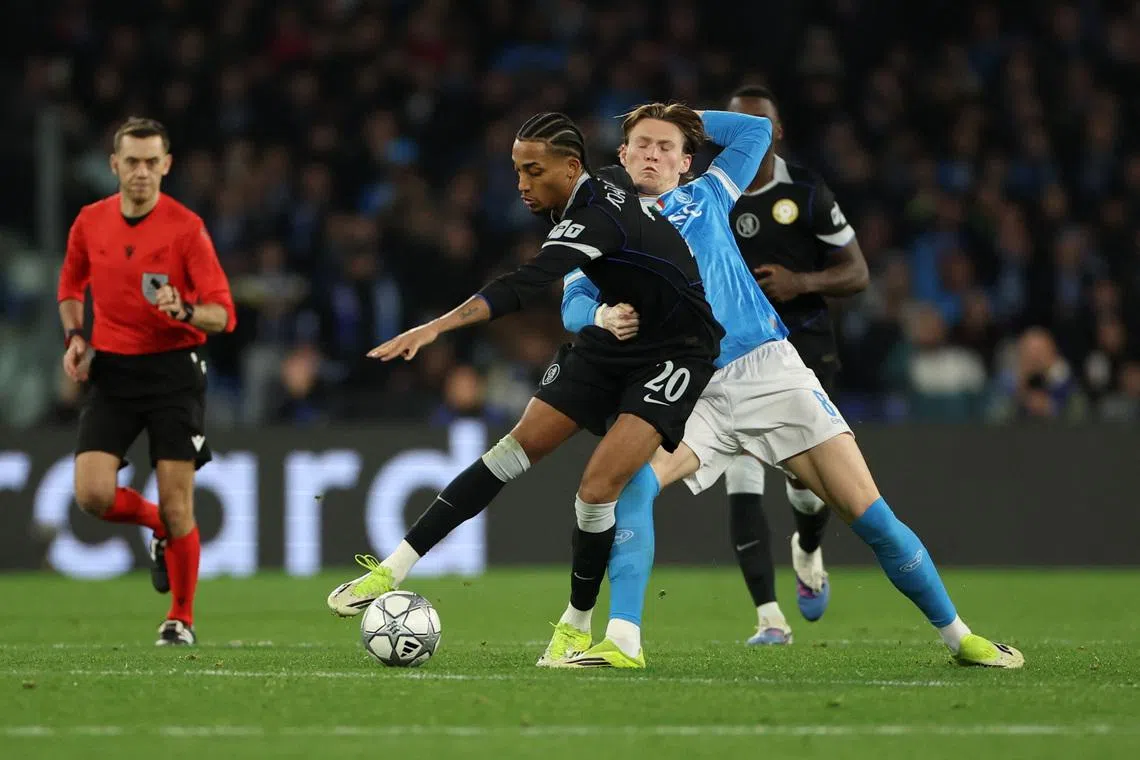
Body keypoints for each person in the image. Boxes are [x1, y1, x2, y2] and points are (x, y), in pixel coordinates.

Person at [548, 103, 1023, 671]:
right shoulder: (601, 226)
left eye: (666, 146)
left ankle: (960, 638)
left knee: (870, 515)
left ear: (685, 161)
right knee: (632, 485)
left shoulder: (708, 194)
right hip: (685, 385)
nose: (653, 154)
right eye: (642, 144)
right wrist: (598, 317)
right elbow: (573, 303)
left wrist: (678, 115)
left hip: (767, 372)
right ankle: (624, 640)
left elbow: (755, 131)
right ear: (622, 155)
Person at [325, 112, 724, 622]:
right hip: (614, 340)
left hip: (676, 350)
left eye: (534, 171)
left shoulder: (594, 219)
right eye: (517, 170)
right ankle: (391, 570)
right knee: (509, 453)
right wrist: (602, 312)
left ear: (570, 167)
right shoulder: (599, 184)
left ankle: (575, 627)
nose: (522, 184)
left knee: (597, 489)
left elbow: (521, 285)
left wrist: (434, 328)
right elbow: (622, 191)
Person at [57, 117, 236, 646]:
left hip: (174, 372)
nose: (141, 172)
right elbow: (70, 286)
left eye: (151, 162)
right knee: (92, 494)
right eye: (132, 162)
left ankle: (181, 618)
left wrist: (185, 310)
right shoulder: (90, 221)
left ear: (166, 165)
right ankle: (158, 526)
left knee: (181, 505)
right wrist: (75, 337)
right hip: (113, 370)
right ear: (114, 165)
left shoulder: (186, 228)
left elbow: (223, 314)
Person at [709, 84, 870, 644]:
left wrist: (800, 282)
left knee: (806, 484)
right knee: (742, 470)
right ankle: (769, 618)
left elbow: (857, 272)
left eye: (759, 125)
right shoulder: (711, 192)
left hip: (803, 347)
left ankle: (807, 546)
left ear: (775, 133)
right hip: (733, 353)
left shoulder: (805, 190)